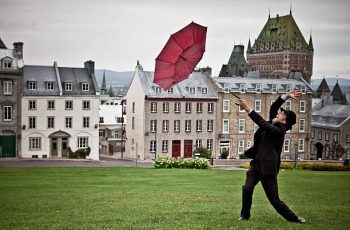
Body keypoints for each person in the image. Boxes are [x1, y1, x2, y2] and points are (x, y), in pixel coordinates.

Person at [235, 89, 306, 223]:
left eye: (281, 113)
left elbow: (262, 123)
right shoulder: (275, 122)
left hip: (268, 168)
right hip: (256, 164)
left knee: (274, 199)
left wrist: (248, 108)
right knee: (247, 188)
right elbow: (274, 107)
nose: (278, 113)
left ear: (284, 119)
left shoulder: (279, 130)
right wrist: (286, 96)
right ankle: (244, 215)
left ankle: (294, 218)